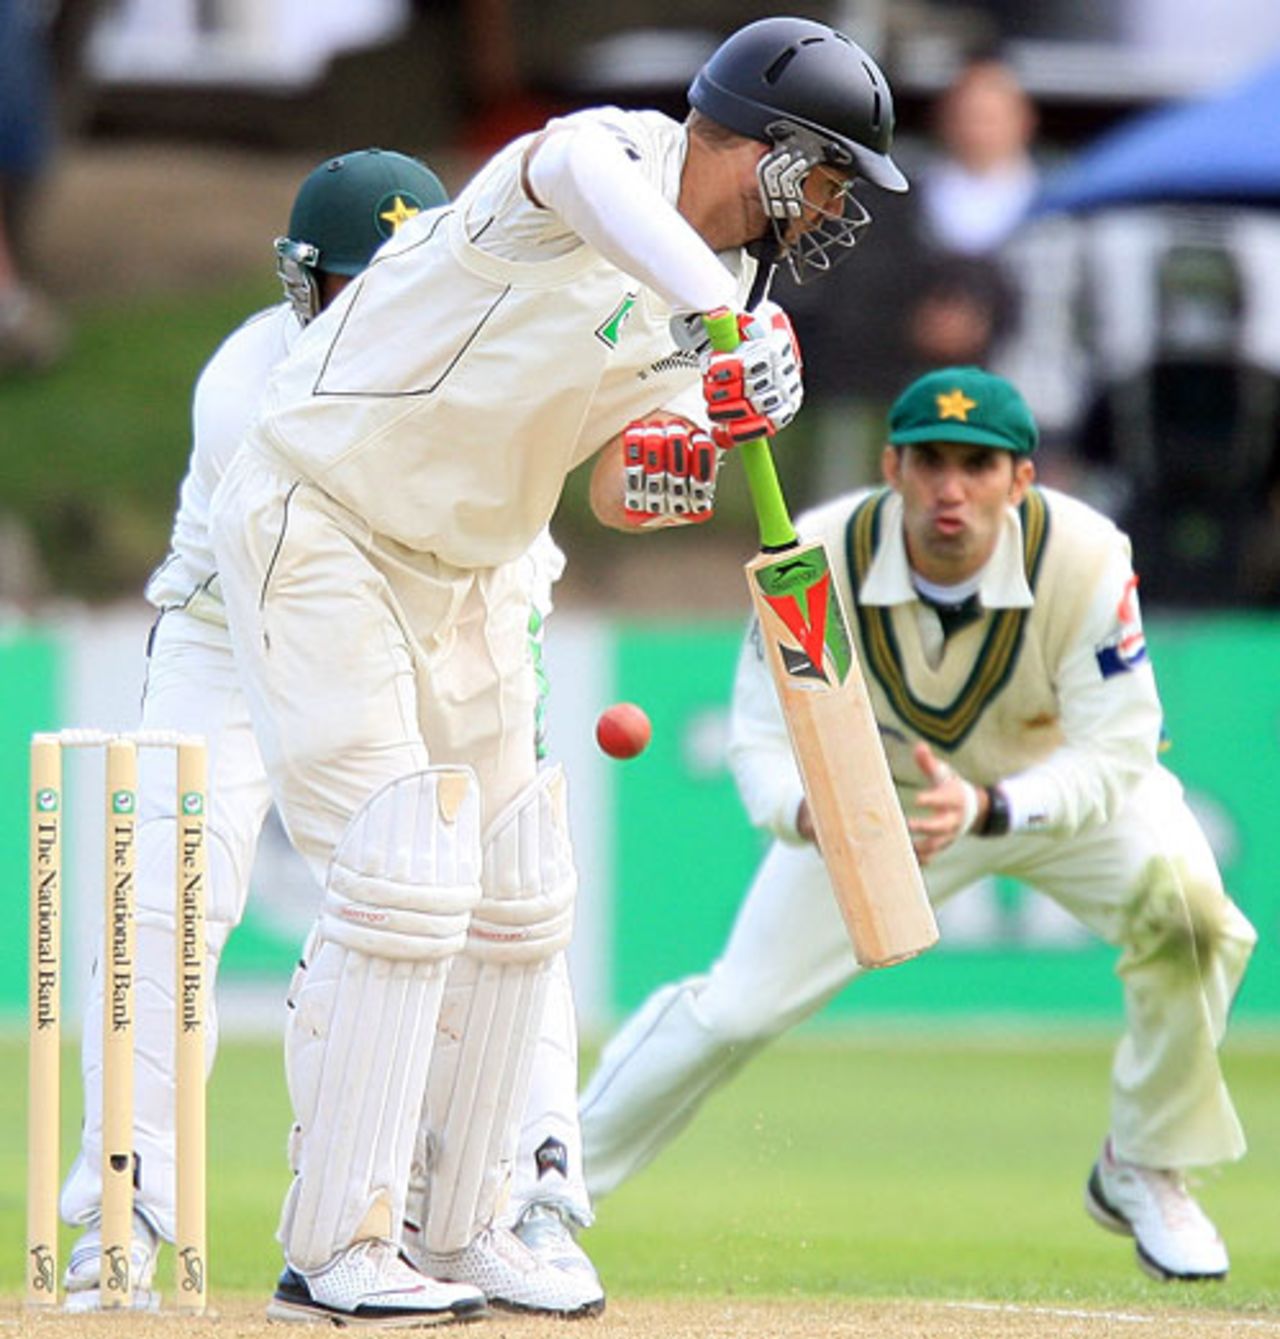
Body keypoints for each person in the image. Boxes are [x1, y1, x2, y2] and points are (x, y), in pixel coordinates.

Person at [204, 14, 908, 1326]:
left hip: (474, 566)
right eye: (824, 174)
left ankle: (464, 1225)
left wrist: (706, 429)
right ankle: (335, 1245)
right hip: (327, 517)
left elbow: (620, 492)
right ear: (764, 148)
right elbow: (567, 173)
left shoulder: (733, 298)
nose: (829, 208)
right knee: (402, 870)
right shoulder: (605, 160)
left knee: (519, 890)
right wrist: (716, 319)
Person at [54, 146, 601, 1320]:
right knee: (164, 900)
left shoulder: (494, 367)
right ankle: (125, 1210)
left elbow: (524, 544)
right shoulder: (250, 379)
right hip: (231, 633)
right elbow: (316, 567)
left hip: (426, 634)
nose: (375, 312)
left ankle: (514, 1195)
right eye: (354, 284)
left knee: (509, 891)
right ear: (304, 283)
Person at [579, 365, 1257, 1285]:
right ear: (892, 466)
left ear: (1022, 480)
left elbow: (1122, 744)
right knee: (733, 1007)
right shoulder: (819, 554)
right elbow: (763, 738)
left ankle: (1144, 1162)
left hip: (1050, 789)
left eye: (978, 466)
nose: (951, 489)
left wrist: (995, 807)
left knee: (1196, 925)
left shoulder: (1086, 556)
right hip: (877, 808)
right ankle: (545, 1190)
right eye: (931, 461)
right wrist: (811, 811)